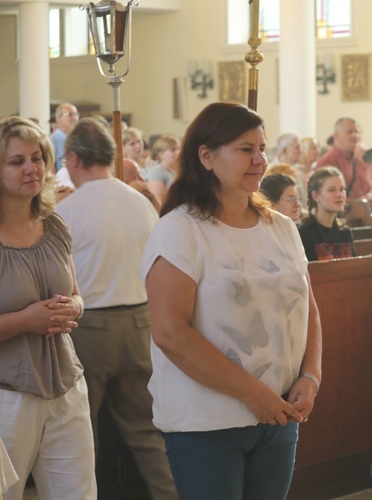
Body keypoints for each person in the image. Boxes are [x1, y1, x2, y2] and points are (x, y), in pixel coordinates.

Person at [141, 102, 322, 499]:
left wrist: (310, 376)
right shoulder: (180, 231)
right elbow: (170, 333)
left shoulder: (282, 228)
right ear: (206, 156)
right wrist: (253, 394)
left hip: (277, 416)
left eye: (263, 148)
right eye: (245, 149)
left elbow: (306, 305)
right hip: (207, 424)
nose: (260, 160)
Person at [55, 117, 177, 499]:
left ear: (73, 158)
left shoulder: (68, 211)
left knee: (80, 433)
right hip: (141, 324)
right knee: (146, 431)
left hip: (91, 329)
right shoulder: (140, 203)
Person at [0, 116, 96, 499]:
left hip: (66, 383)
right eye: (16, 161)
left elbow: (75, 293)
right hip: (5, 390)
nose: (30, 168)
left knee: (78, 493)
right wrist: (25, 320)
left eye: (36, 158)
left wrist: (75, 308)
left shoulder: (54, 225)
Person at [299, 167, 356, 261]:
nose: (339, 195)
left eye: (342, 189)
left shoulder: (345, 232)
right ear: (315, 196)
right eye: (331, 190)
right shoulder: (305, 233)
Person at [316, 117, 372, 201]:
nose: (355, 136)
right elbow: (325, 198)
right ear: (336, 135)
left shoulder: (358, 162)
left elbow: (367, 189)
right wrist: (356, 202)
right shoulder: (328, 162)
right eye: (350, 132)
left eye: (356, 132)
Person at [146, 133, 181, 203]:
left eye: (178, 149)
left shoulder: (180, 169)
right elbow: (158, 202)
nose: (177, 152)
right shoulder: (157, 172)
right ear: (161, 154)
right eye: (173, 150)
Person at [49, 103, 79, 172]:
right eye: (70, 115)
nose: (75, 118)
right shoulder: (53, 140)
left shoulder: (80, 138)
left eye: (76, 114)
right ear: (59, 118)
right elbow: (51, 168)